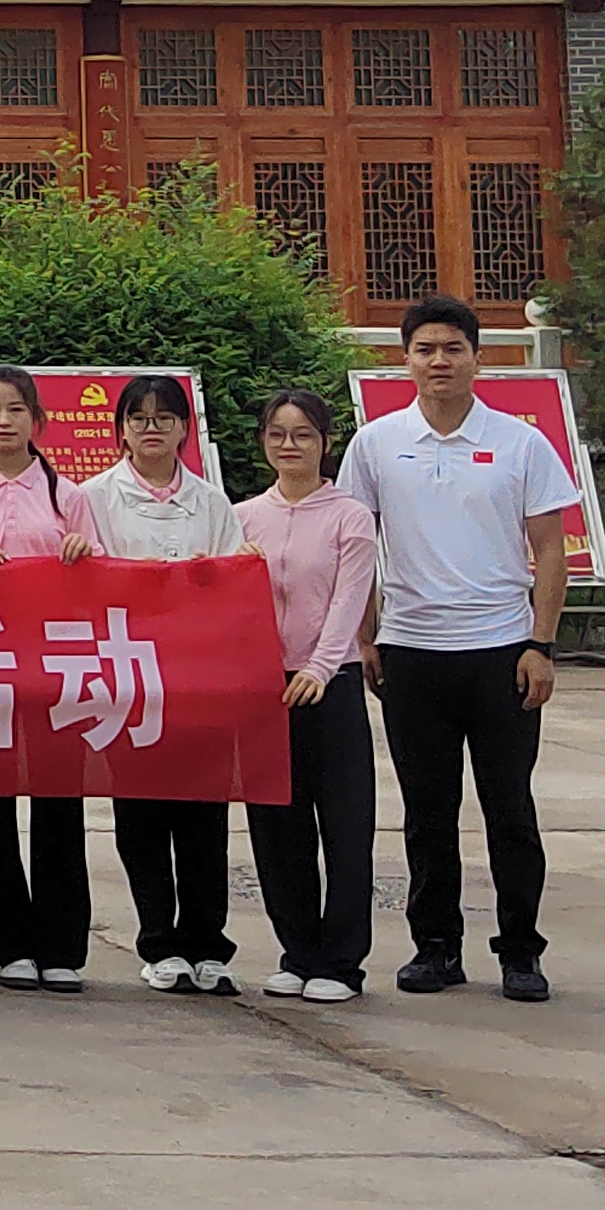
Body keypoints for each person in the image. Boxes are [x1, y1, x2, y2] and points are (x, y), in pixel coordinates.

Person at [336, 296, 580, 1004]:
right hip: (411, 653)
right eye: (425, 350)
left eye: (453, 349)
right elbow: (356, 547)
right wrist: (365, 636)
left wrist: (541, 644)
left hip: (501, 652)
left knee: (510, 810)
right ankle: (436, 948)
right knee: (427, 813)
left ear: (477, 358)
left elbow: (550, 550)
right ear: (405, 359)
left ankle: (521, 952)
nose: (439, 361)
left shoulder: (521, 444)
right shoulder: (376, 444)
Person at [83, 374, 245, 995]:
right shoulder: (94, 499)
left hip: (200, 680)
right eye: (139, 418)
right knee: (142, 816)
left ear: (184, 428)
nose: (151, 429)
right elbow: (87, 582)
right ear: (121, 429)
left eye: (164, 418)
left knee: (204, 818)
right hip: (131, 679)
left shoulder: (212, 503)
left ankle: (208, 945)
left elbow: (233, 584)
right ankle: (159, 944)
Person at [0, 365, 93, 995]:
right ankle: (6, 943)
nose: (3, 421)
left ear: (38, 420)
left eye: (15, 410)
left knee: (59, 804)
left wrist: (81, 558)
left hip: (56, 669)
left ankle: (60, 945)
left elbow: (103, 578)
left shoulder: (70, 497)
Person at [237, 390, 379, 1004]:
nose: (289, 445)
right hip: (265, 690)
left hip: (331, 685)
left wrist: (320, 668)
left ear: (326, 442)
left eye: (303, 434)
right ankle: (296, 952)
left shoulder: (350, 516)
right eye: (277, 433)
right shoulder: (242, 516)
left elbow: (351, 600)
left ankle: (342, 963)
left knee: (345, 825)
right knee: (276, 825)